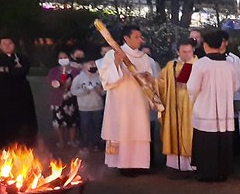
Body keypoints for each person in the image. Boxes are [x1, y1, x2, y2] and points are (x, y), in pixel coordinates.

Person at [98, 25, 159, 174]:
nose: (140, 40)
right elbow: (106, 80)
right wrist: (117, 63)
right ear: (126, 38)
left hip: (139, 101)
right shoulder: (113, 54)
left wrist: (148, 78)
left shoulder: (145, 58)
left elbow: (152, 79)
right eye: (136, 37)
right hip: (120, 102)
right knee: (123, 130)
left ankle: (140, 164)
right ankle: (123, 165)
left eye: (140, 37)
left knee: (139, 130)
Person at [186, 32, 240, 182]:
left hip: (206, 108)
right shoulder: (229, 65)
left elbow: (192, 87)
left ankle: (207, 173)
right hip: (225, 109)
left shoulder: (201, 64)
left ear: (205, 45)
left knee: (206, 141)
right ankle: (223, 171)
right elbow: (236, 86)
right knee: (223, 140)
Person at [0, 37, 37, 147]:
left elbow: (23, 71)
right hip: (2, 94)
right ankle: (3, 143)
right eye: (4, 44)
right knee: (3, 118)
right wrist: (13, 70)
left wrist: (6, 70)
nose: (7, 46)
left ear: (14, 45)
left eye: (9, 43)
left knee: (22, 118)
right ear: (0, 46)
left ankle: (23, 143)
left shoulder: (22, 58)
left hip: (21, 93)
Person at [158, 40, 197, 173]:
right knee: (175, 131)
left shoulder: (199, 65)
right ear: (177, 52)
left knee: (191, 133)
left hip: (192, 106)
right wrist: (151, 81)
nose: (187, 55)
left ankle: (194, 164)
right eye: (184, 52)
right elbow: (161, 84)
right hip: (174, 105)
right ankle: (176, 165)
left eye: (189, 52)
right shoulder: (171, 66)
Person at [46, 50, 81, 148]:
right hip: (57, 99)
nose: (63, 60)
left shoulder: (76, 71)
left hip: (72, 99)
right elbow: (51, 83)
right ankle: (61, 140)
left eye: (65, 57)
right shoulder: (54, 71)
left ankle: (72, 140)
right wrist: (62, 84)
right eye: (60, 58)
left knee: (72, 121)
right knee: (58, 121)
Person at [70, 58, 105, 150]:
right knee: (85, 126)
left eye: (94, 64)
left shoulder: (100, 77)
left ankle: (95, 144)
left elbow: (104, 91)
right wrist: (84, 91)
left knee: (97, 126)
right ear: (84, 65)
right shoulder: (78, 78)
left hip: (97, 107)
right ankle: (85, 144)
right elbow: (73, 91)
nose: (92, 66)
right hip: (84, 107)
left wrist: (100, 91)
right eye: (90, 64)